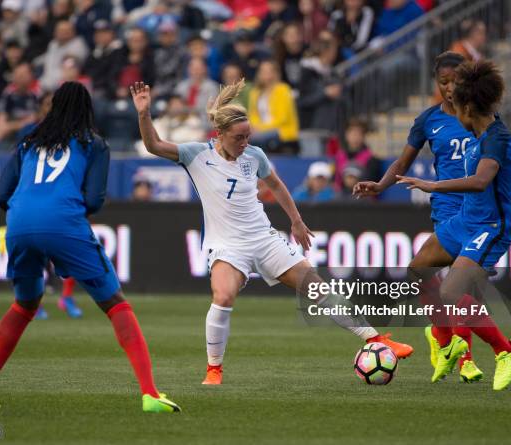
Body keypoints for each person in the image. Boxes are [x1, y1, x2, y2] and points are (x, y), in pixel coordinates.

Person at [130, 79, 413, 386]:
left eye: (248, 136)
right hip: (226, 245)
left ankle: (376, 339)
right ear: (220, 134)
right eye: (239, 137)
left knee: (316, 288)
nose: (245, 142)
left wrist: (296, 221)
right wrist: (144, 113)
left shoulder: (255, 155)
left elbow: (276, 185)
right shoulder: (196, 154)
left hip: (264, 240)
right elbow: (153, 145)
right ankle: (214, 370)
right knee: (223, 296)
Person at [0, 82, 180, 413]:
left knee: (24, 305)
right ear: (87, 110)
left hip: (19, 222)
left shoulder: (28, 142)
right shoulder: (94, 144)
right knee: (116, 304)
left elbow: (0, 196)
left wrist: (30, 218)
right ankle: (150, 394)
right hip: (64, 222)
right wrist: (62, 221)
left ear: (52, 107)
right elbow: (93, 199)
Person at [353, 52, 483, 382]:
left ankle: (464, 357)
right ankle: (442, 336)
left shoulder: (482, 117)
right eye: (444, 82)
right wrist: (380, 185)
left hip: (479, 209)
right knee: (427, 275)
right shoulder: (428, 120)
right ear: (435, 84)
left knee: (459, 282)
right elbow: (403, 161)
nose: (450, 88)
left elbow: (503, 151)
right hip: (446, 209)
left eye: (456, 81)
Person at [396, 60, 511, 391]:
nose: (456, 114)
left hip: (490, 226)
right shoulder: (482, 131)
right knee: (417, 268)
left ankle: (506, 351)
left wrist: (433, 187)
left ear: (468, 107)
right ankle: (445, 339)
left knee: (454, 292)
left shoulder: (496, 137)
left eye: (459, 108)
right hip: (465, 220)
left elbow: (482, 181)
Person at [248, 60, 299, 153]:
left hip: (281, 130)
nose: (266, 74)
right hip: (261, 130)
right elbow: (253, 115)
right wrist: (255, 127)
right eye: (263, 71)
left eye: (269, 71)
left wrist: (261, 128)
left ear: (275, 73)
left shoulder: (283, 89)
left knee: (254, 139)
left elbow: (282, 118)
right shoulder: (255, 92)